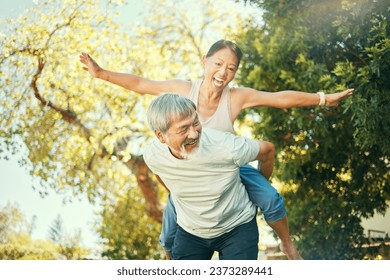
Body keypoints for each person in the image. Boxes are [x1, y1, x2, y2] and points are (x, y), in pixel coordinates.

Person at [79, 39, 353, 260]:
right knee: (170, 231)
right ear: (204, 62)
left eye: (231, 68)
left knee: (270, 199)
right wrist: (100, 73)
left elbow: (280, 98)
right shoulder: (183, 90)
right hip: (190, 172)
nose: (223, 73)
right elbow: (141, 84)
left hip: (228, 168)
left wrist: (323, 99)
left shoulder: (236, 97)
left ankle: (288, 245)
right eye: (218, 64)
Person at [144, 93, 262, 259]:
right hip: (191, 231)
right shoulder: (152, 156)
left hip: (238, 226)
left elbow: (268, 150)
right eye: (183, 129)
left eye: (196, 123)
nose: (193, 134)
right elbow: (160, 174)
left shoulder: (227, 147)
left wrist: (260, 184)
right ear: (160, 136)